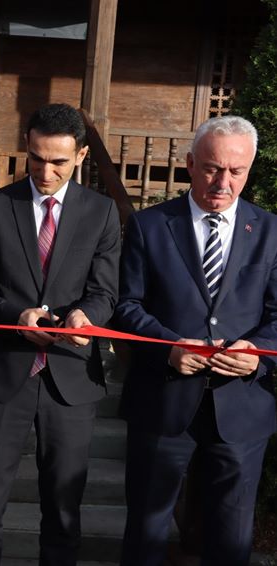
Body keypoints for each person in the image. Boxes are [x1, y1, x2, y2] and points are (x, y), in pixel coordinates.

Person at [0, 103, 120, 566]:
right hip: (4, 371)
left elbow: (106, 292)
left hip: (71, 377)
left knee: (64, 509)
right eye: (35, 158)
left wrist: (85, 317)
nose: (45, 171)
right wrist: (16, 316)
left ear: (82, 155)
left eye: (58, 161)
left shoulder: (102, 212)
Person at [115, 115, 277, 566]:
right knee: (146, 530)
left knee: (230, 538)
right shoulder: (149, 226)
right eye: (211, 168)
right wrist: (168, 347)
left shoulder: (271, 231)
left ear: (249, 170)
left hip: (241, 408)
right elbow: (126, 307)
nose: (223, 182)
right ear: (189, 163)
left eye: (236, 171)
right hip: (164, 402)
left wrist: (259, 357)